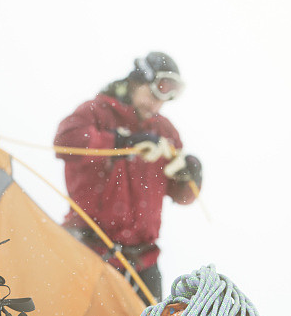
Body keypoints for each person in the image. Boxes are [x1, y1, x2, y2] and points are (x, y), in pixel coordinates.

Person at [54, 52, 202, 302]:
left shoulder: (164, 131)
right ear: (136, 80)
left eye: (164, 99)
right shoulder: (96, 112)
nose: (156, 105)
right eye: (154, 93)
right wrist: (122, 141)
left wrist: (192, 175)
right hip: (88, 249)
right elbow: (65, 142)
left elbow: (183, 195)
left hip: (142, 262)